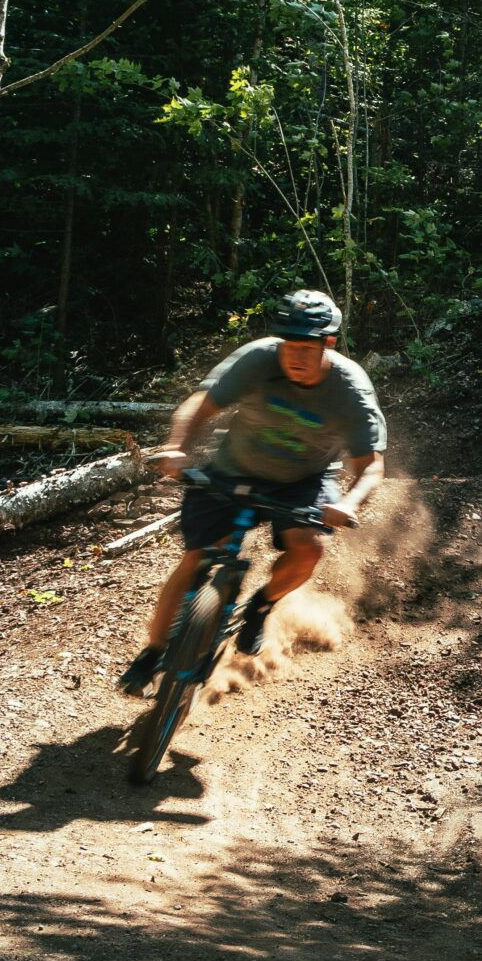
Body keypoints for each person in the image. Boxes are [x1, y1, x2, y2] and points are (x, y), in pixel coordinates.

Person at [119, 289, 386, 695]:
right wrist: (176, 447)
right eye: (289, 346)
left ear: (328, 343)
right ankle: (153, 651)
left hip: (303, 479)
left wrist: (348, 502)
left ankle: (261, 606)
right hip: (235, 468)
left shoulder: (350, 389)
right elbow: (200, 405)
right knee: (197, 557)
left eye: (306, 349)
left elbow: (372, 465)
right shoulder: (259, 358)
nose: (295, 357)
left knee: (310, 548)